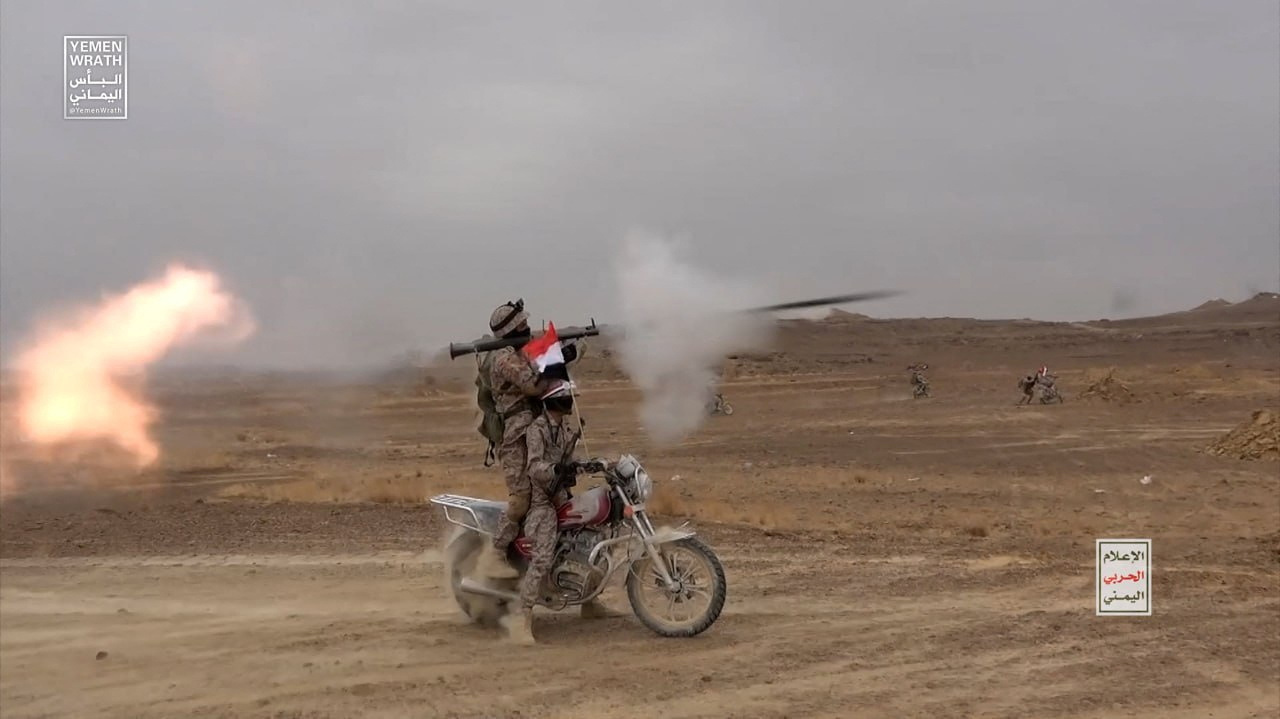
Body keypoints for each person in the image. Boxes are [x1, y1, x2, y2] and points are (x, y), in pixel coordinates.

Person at [503, 381, 614, 645]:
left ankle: (589, 602)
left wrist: (591, 464)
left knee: (597, 538)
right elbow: (534, 467)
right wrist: (554, 470)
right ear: (553, 401)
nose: (570, 402)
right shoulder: (537, 430)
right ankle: (522, 618)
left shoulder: (564, 429)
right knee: (542, 555)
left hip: (562, 496)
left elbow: (570, 461)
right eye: (566, 397)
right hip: (542, 501)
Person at [475, 301, 552, 579]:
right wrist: (554, 363)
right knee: (521, 499)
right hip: (516, 435)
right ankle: (495, 555)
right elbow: (534, 386)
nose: (527, 328)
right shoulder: (504, 359)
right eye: (522, 325)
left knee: (552, 492)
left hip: (536, 431)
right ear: (510, 329)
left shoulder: (519, 353)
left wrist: (564, 356)